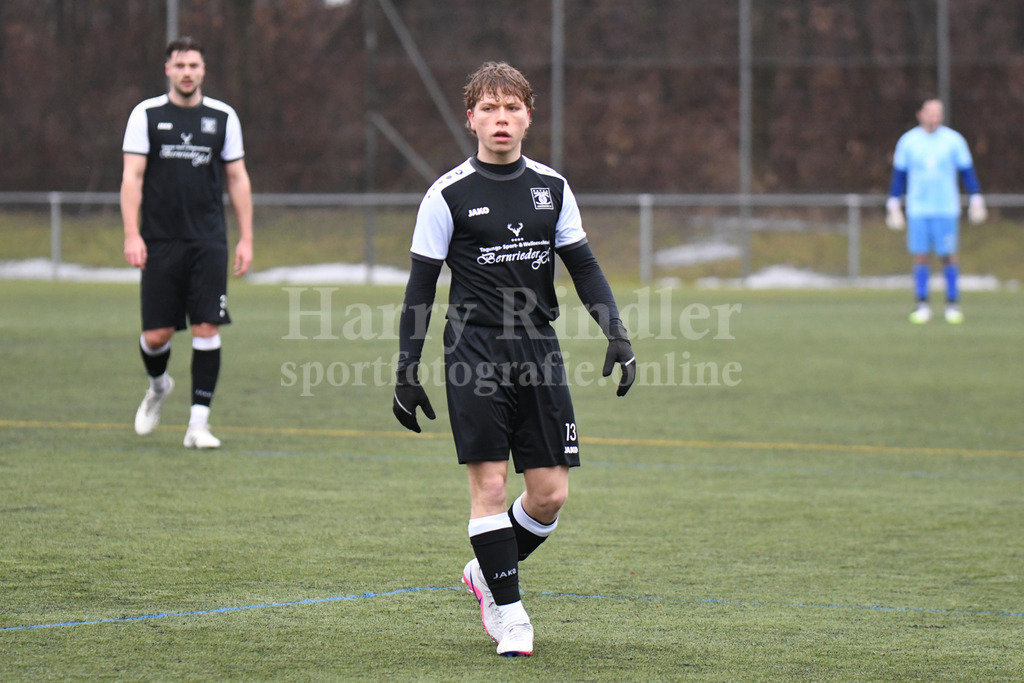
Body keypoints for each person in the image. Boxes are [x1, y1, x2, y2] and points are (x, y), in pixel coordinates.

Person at [391, 62, 635, 657]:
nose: (501, 119)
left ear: (528, 116)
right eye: (489, 108)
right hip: (473, 349)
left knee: (550, 495)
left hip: (537, 347)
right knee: (491, 485)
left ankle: (485, 572)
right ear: (470, 118)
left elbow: (583, 266)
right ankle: (512, 613)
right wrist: (406, 369)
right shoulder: (446, 194)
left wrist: (616, 331)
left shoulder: (552, 187)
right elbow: (420, 289)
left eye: (512, 108)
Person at [121, 36, 253, 448]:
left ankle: (198, 425)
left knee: (207, 326)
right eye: (179, 65)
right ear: (168, 70)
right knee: (157, 336)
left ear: (203, 69)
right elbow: (132, 178)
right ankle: (158, 385)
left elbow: (237, 178)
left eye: (194, 65)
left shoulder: (223, 117)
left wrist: (246, 237)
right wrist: (131, 233)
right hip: (159, 240)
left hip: (208, 240)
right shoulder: (146, 115)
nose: (187, 72)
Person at [886, 98, 986, 324]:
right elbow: (899, 175)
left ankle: (952, 304)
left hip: (946, 208)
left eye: (938, 112)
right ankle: (922, 305)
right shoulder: (908, 141)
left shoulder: (953, 140)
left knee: (948, 255)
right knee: (921, 255)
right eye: (930, 112)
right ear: (920, 114)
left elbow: (966, 171)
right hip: (918, 209)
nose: (935, 116)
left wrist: (976, 197)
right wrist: (893, 202)